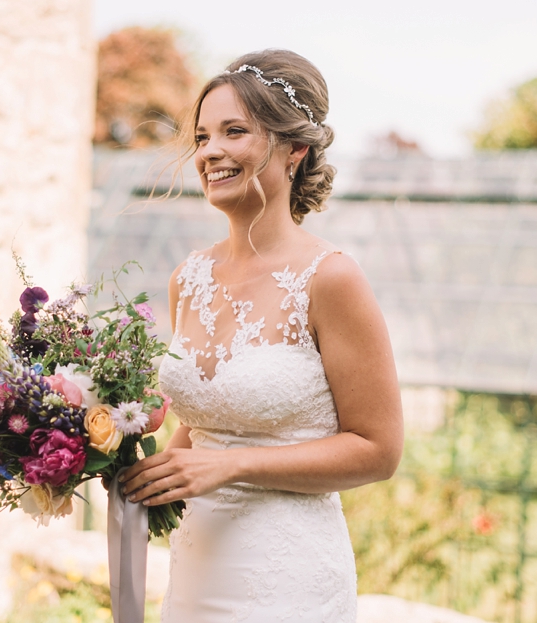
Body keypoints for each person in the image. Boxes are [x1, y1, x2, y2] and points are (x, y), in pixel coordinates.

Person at [120, 49, 404, 622]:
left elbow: (378, 450)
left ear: (294, 149)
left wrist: (233, 465)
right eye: (202, 137)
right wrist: (134, 473)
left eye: (234, 132)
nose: (211, 152)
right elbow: (204, 428)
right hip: (197, 568)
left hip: (288, 578)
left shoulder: (331, 278)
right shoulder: (189, 278)